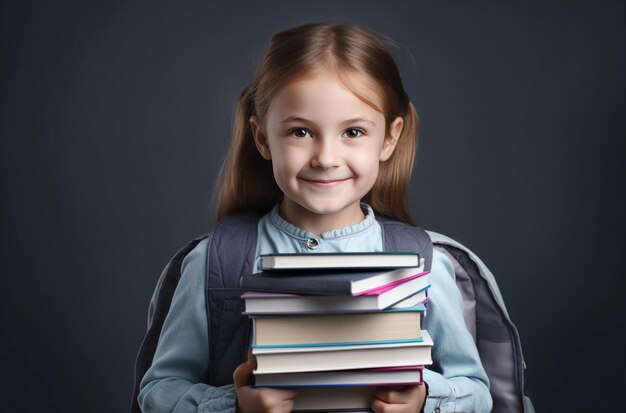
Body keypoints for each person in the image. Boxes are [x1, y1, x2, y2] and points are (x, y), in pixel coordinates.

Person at [137, 21, 492, 413]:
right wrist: (233, 406)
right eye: (301, 132)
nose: (325, 158)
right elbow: (159, 390)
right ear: (262, 138)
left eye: (353, 132)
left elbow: (476, 390)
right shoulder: (211, 264)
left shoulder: (427, 264)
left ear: (389, 138)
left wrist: (426, 398)